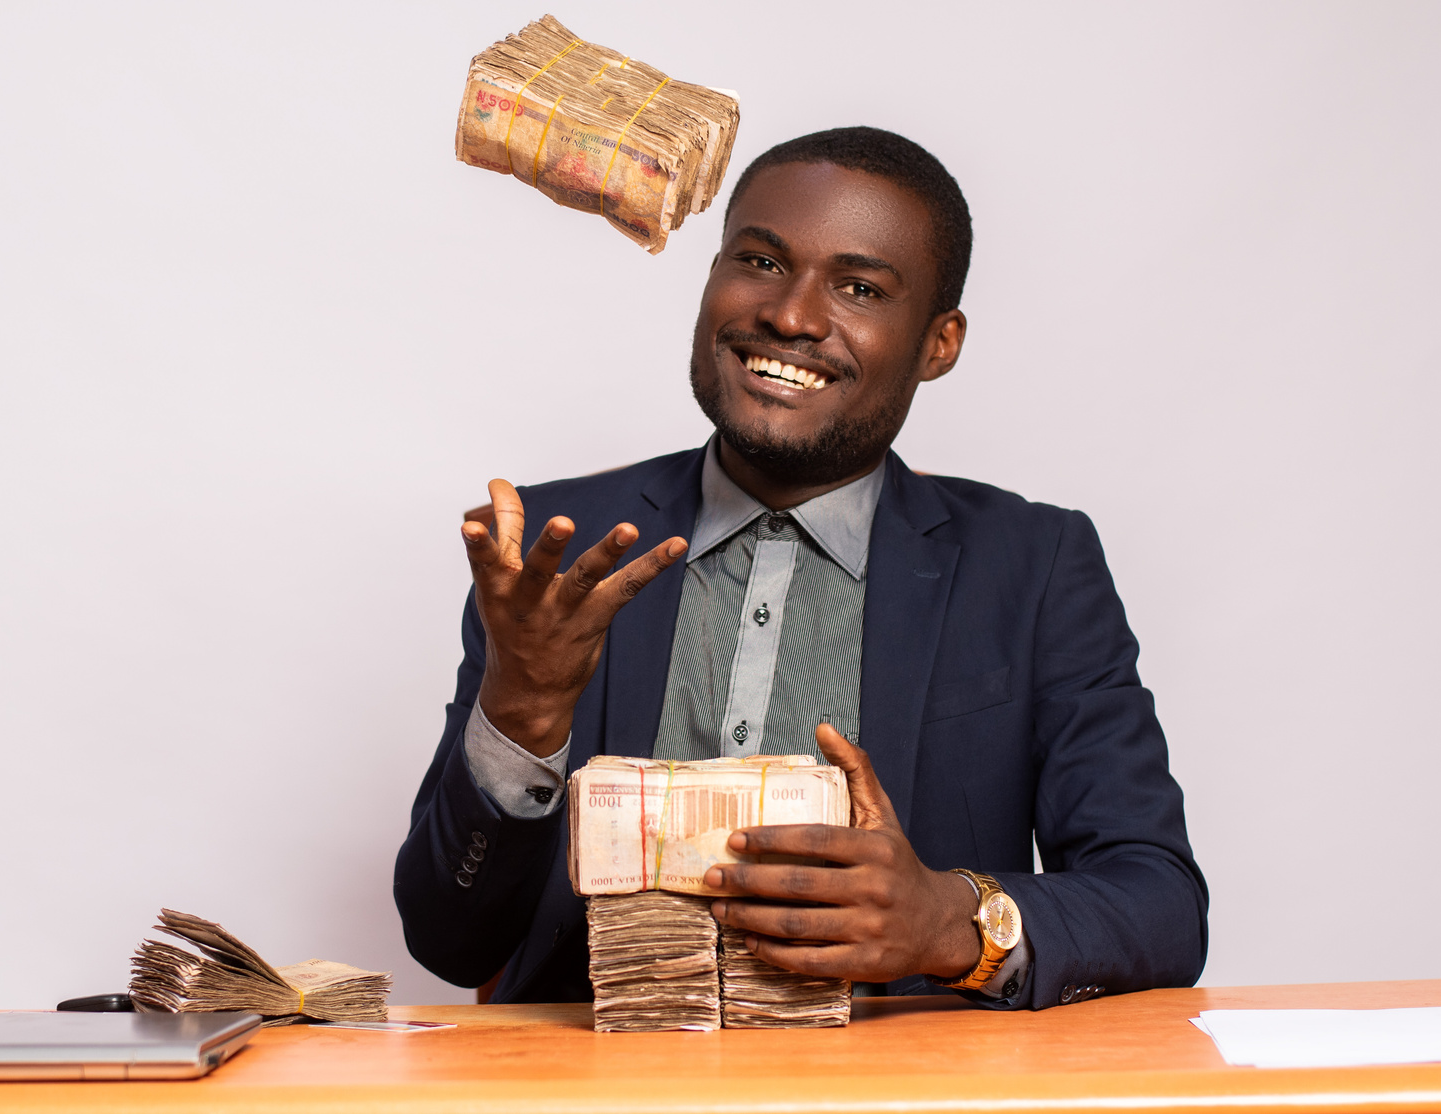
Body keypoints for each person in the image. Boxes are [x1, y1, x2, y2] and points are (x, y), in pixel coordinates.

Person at [394, 126, 1207, 1010]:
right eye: (761, 261)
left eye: (858, 287)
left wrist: (949, 917)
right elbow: (448, 939)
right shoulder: (562, 549)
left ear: (938, 343)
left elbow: (1160, 907)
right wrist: (524, 712)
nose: (791, 317)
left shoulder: (1032, 565)